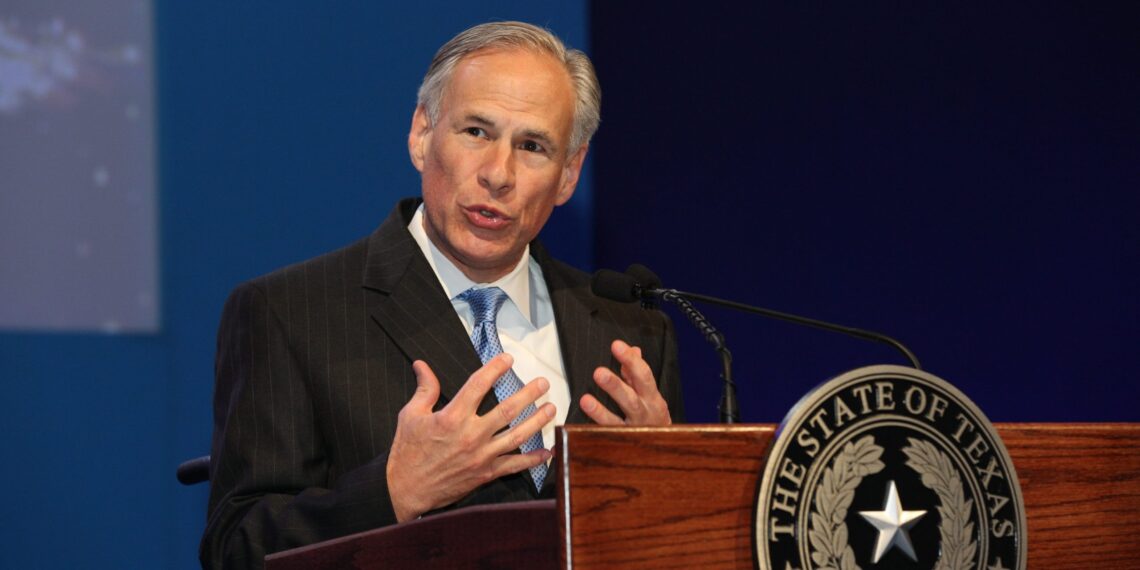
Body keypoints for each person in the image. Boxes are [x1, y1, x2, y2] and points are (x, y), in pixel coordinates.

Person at [200, 21, 684, 568]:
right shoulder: (289, 314)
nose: (498, 174)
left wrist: (667, 487)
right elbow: (236, 550)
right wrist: (394, 491)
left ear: (569, 174)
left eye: (532, 146)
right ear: (422, 134)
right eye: (476, 132)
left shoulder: (632, 333)